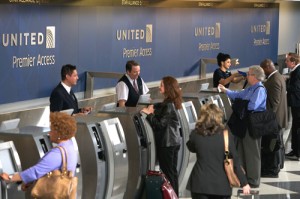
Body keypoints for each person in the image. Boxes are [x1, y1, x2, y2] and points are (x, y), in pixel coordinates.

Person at [0, 112, 78, 196]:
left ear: (58, 133)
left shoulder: (57, 154)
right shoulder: (69, 146)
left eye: (51, 130)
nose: (49, 133)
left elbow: (35, 171)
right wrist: (30, 181)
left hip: (54, 194)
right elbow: (45, 172)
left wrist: (11, 178)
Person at [186, 103, 251, 199]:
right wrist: (244, 183)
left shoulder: (196, 134)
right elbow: (236, 161)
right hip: (221, 186)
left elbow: (191, 147)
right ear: (218, 116)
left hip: (199, 184)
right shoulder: (226, 135)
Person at [218, 65, 267, 188]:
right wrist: (226, 91)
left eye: (249, 74)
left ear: (255, 76)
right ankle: (243, 178)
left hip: (253, 125)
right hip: (244, 125)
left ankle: (254, 180)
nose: (247, 76)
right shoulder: (251, 88)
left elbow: (252, 106)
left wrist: (241, 102)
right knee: (242, 151)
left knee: (252, 153)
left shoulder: (259, 89)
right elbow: (239, 95)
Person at [141, 76, 182, 196]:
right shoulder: (170, 102)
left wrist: (149, 114)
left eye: (162, 85)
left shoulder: (168, 105)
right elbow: (162, 109)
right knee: (173, 173)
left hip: (167, 144)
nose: (159, 87)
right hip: (174, 142)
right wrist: (153, 107)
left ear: (168, 87)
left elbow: (159, 124)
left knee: (169, 175)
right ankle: (175, 196)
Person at [260, 59, 288, 177]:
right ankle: (277, 166)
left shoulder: (274, 80)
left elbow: (274, 104)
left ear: (267, 67)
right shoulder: (278, 76)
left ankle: (272, 169)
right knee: (277, 143)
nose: (262, 72)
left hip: (274, 120)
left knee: (272, 145)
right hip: (277, 119)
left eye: (262, 69)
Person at [285, 53, 300, 160]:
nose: (286, 62)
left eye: (287, 61)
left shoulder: (297, 72)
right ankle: (295, 150)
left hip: (297, 103)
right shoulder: (296, 71)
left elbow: (295, 87)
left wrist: (284, 83)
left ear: (293, 62)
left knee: (297, 127)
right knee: (295, 126)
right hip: (296, 103)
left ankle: (297, 152)